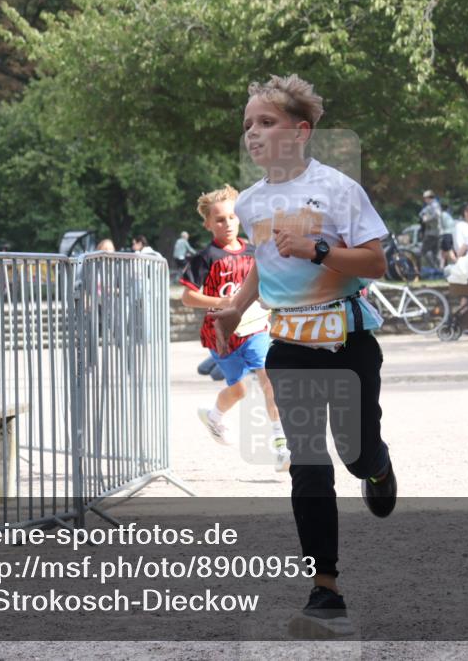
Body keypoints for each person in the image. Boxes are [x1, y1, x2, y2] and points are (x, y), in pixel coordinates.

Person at [213, 74, 396, 639]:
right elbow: (266, 269)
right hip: (289, 347)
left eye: (265, 123)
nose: (254, 134)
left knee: (355, 452)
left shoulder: (339, 189)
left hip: (348, 344)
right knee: (308, 465)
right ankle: (326, 591)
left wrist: (319, 249)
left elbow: (374, 264)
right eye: (248, 125)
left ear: (300, 131)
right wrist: (233, 309)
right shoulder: (249, 202)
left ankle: (376, 465)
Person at [181, 185, 290, 472]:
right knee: (239, 390)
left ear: (239, 217)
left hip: (255, 329)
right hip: (221, 336)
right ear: (207, 224)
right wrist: (224, 301)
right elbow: (187, 296)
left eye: (231, 217)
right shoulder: (205, 257)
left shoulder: (254, 250)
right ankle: (214, 416)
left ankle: (281, 446)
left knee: (269, 381)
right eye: (219, 219)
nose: (227, 223)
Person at [417, 190, 442, 268]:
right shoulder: (430, 206)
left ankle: (417, 270)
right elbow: (421, 214)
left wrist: (426, 219)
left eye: (425, 198)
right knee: (436, 254)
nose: (424, 200)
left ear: (428, 198)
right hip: (435, 233)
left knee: (421, 252)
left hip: (432, 233)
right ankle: (437, 271)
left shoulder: (434, 205)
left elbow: (437, 215)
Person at [437, 202, 457, 267]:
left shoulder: (442, 214)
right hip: (451, 234)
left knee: (449, 252)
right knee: (443, 253)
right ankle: (443, 268)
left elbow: (440, 226)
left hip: (446, 235)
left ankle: (458, 264)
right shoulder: (448, 215)